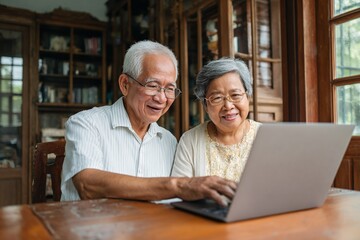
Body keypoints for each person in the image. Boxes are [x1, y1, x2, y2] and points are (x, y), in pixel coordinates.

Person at [61, 40, 236, 206]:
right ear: (125, 84)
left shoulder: (169, 141)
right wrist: (177, 186)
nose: (161, 98)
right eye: (152, 85)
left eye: (169, 89)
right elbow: (88, 186)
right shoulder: (85, 124)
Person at [171, 58, 261, 182]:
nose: (228, 106)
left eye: (235, 95)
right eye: (217, 98)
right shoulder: (190, 141)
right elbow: (179, 191)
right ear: (205, 105)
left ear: (248, 97)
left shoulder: (266, 136)